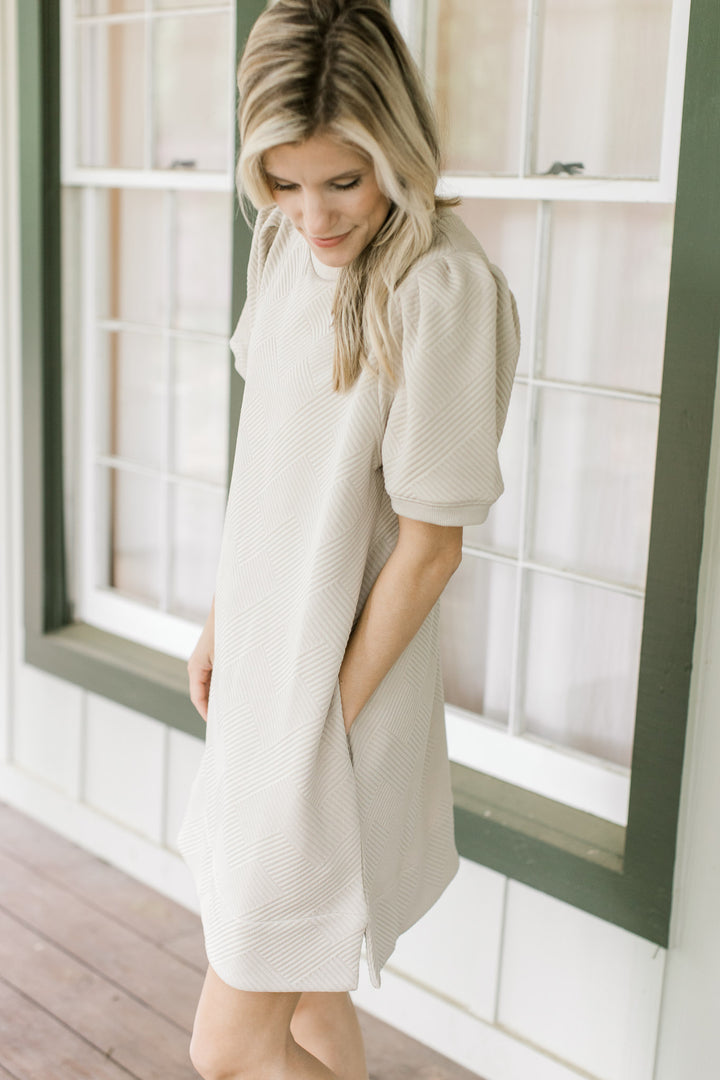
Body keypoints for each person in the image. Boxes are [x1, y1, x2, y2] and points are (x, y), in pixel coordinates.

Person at [176, 1, 520, 1077]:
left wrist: (316, 719)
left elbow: (430, 548)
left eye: (344, 180)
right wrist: (224, 622)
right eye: (283, 180)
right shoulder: (284, 248)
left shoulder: (440, 289)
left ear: (397, 150)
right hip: (262, 682)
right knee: (312, 1008)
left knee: (226, 1051)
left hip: (329, 706)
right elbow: (273, 463)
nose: (313, 214)